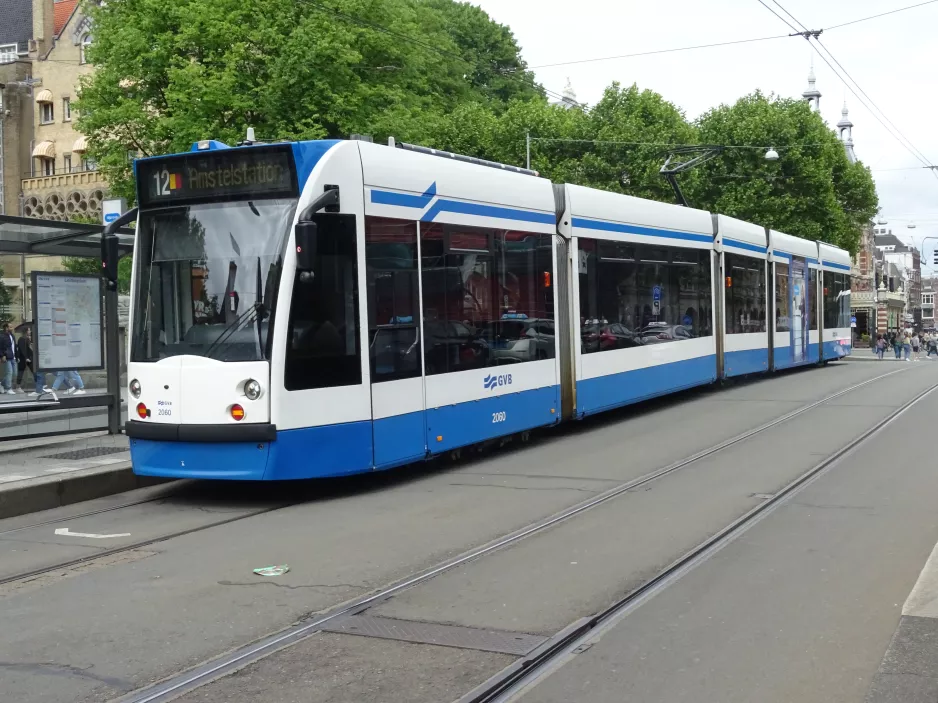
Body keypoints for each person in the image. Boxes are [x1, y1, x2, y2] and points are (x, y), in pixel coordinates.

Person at [15, 327, 43, 395]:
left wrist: (30, 341)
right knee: (21, 372)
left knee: (34, 371)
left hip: (30, 358)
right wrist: (26, 357)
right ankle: (18, 387)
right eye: (29, 330)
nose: (30, 331)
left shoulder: (28, 338)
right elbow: (22, 349)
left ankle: (39, 386)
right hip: (23, 358)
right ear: (26, 331)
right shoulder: (21, 339)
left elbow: (30, 348)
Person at [0, 322, 16, 394]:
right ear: (6, 328)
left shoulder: (12, 336)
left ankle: (2, 384)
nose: (12, 328)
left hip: (13, 357)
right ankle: (8, 388)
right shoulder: (2, 336)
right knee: (9, 372)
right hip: (7, 357)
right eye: (10, 327)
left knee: (14, 373)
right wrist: (2, 355)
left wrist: (17, 356)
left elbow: (14, 347)